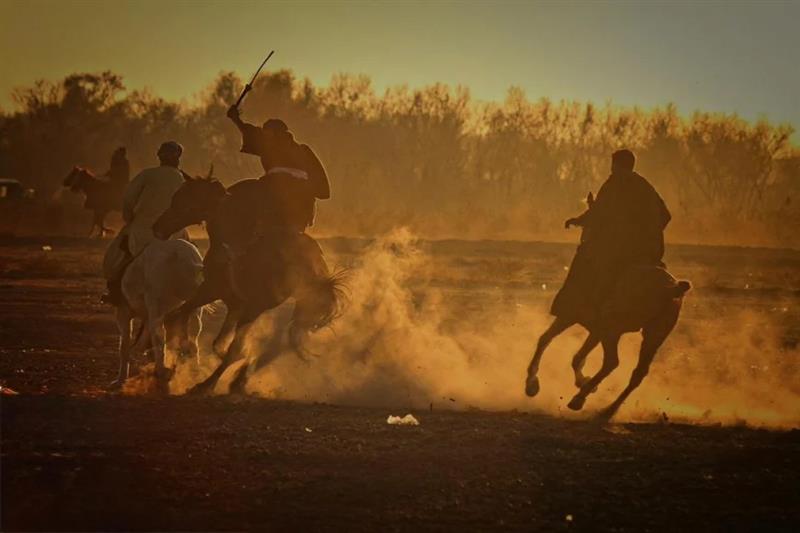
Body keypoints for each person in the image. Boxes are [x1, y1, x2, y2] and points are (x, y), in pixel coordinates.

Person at [552, 149, 671, 323]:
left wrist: (577, 220)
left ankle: (578, 307)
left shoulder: (615, 183)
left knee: (585, 256)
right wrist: (649, 235)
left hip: (625, 250)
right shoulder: (645, 185)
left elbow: (599, 213)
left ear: (616, 165)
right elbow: (666, 215)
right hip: (653, 252)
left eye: (613, 165)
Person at [101, 141, 188, 305]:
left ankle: (114, 291)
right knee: (192, 258)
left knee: (120, 256)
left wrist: (129, 219)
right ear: (178, 158)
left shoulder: (147, 174)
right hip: (175, 231)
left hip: (143, 229)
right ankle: (192, 293)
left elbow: (128, 198)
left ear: (159, 156)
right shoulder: (183, 178)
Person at [226, 105, 330, 232]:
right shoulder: (301, 150)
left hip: (279, 188)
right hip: (301, 199)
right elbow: (321, 186)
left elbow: (250, 132)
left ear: (276, 134)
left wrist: (236, 119)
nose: (264, 136)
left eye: (266, 133)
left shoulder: (272, 146)